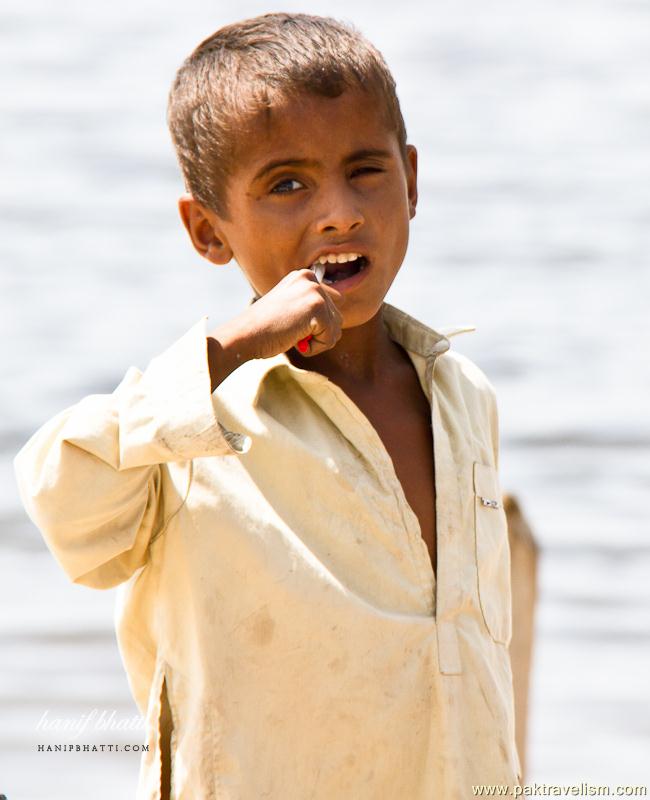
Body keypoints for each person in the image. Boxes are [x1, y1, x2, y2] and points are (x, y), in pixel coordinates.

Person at [14, 12, 521, 799]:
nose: (339, 213)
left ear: (412, 181)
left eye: (365, 170)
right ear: (208, 231)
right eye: (287, 185)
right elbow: (61, 497)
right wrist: (235, 343)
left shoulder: (462, 397)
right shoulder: (190, 422)